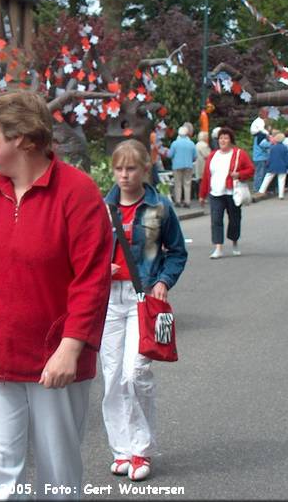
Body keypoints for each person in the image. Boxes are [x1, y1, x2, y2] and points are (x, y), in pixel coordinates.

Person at [0, 90, 111, 500]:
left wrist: (70, 348)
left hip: (57, 357)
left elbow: (92, 280)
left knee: (58, 474)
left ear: (24, 140)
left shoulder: (78, 193)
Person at [102, 139, 188, 481]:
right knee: (111, 378)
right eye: (119, 169)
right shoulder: (101, 207)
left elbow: (177, 251)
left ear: (144, 169)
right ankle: (121, 450)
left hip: (142, 296)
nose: (124, 175)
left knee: (134, 373)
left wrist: (164, 280)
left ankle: (141, 449)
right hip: (108, 299)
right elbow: (84, 249)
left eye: (131, 168)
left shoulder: (159, 207)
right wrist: (98, 268)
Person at [199, 127, 254, 259]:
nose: (222, 141)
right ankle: (218, 247)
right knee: (216, 220)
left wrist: (239, 174)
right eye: (220, 138)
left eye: (225, 138)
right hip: (215, 192)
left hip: (232, 192)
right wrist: (202, 194)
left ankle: (234, 242)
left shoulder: (239, 154)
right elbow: (206, 176)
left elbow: (251, 169)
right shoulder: (213, 155)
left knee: (234, 219)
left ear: (230, 140)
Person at [166, 126, 197, 208]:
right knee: (187, 183)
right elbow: (195, 156)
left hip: (177, 165)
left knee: (178, 184)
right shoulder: (191, 143)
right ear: (187, 134)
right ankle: (187, 202)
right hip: (188, 165)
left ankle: (178, 201)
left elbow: (169, 155)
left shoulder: (175, 143)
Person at [257, 132, 288, 199]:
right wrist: (287, 165)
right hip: (282, 166)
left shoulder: (272, 147)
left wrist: (267, 164)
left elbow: (270, 157)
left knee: (267, 178)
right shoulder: (285, 148)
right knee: (281, 180)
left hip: (273, 165)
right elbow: (287, 158)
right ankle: (281, 195)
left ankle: (261, 191)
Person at [250, 117, 271, 192]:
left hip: (260, 157)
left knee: (261, 174)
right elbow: (262, 144)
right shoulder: (261, 135)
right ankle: (257, 189)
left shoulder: (258, 135)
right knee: (260, 174)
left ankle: (260, 189)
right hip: (260, 157)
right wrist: (271, 143)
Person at [194, 130, 211, 204]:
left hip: (198, 164)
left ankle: (200, 196)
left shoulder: (197, 144)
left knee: (200, 180)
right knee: (203, 180)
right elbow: (207, 155)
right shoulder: (204, 145)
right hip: (203, 164)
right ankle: (203, 196)